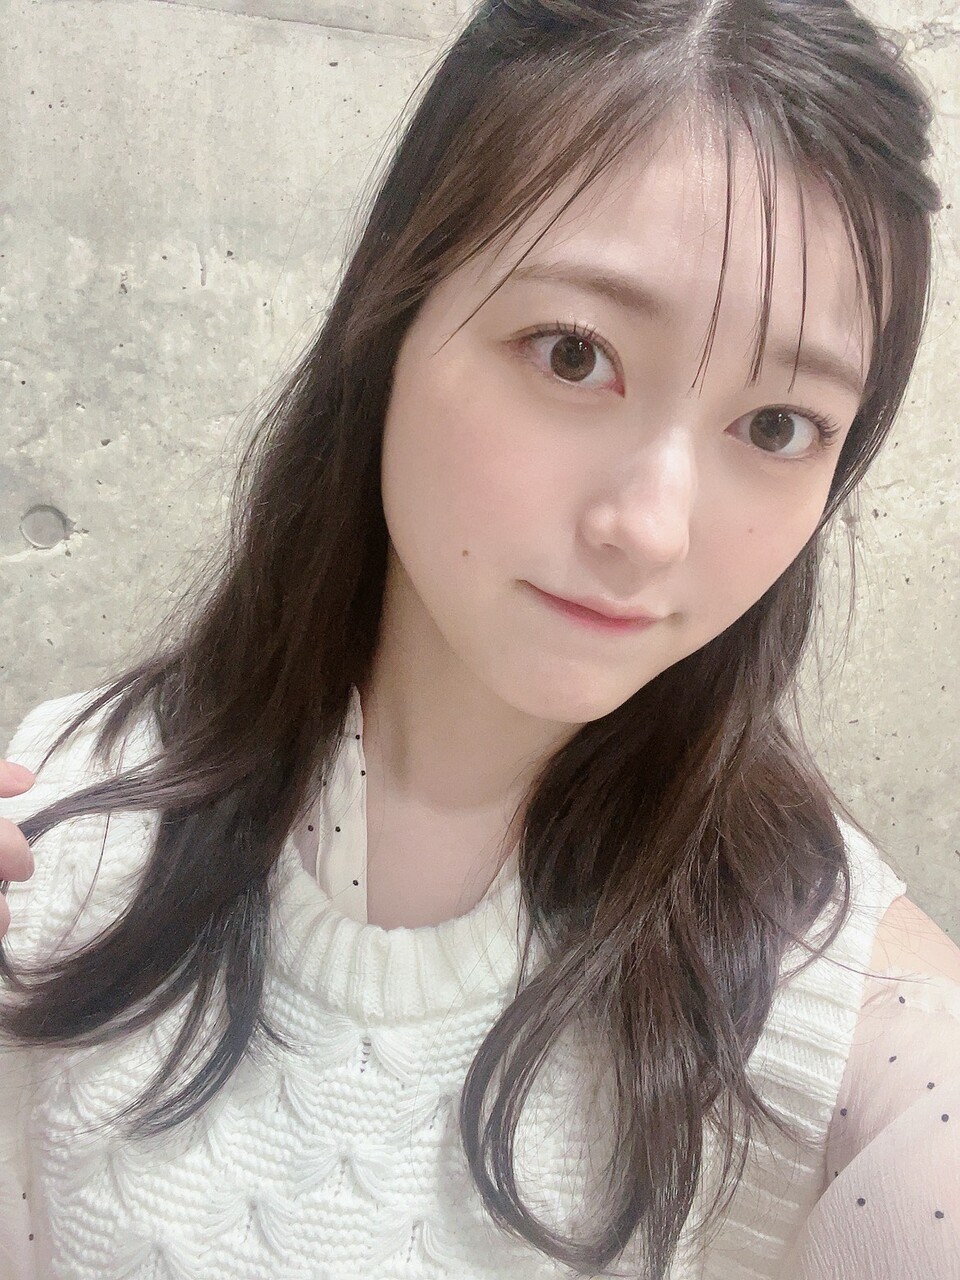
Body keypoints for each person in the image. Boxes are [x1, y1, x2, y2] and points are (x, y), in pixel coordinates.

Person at [1, 0, 958, 1276]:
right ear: (392, 314)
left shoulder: (834, 1010)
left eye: (779, 426)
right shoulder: (60, 835)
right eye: (574, 354)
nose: (651, 528)